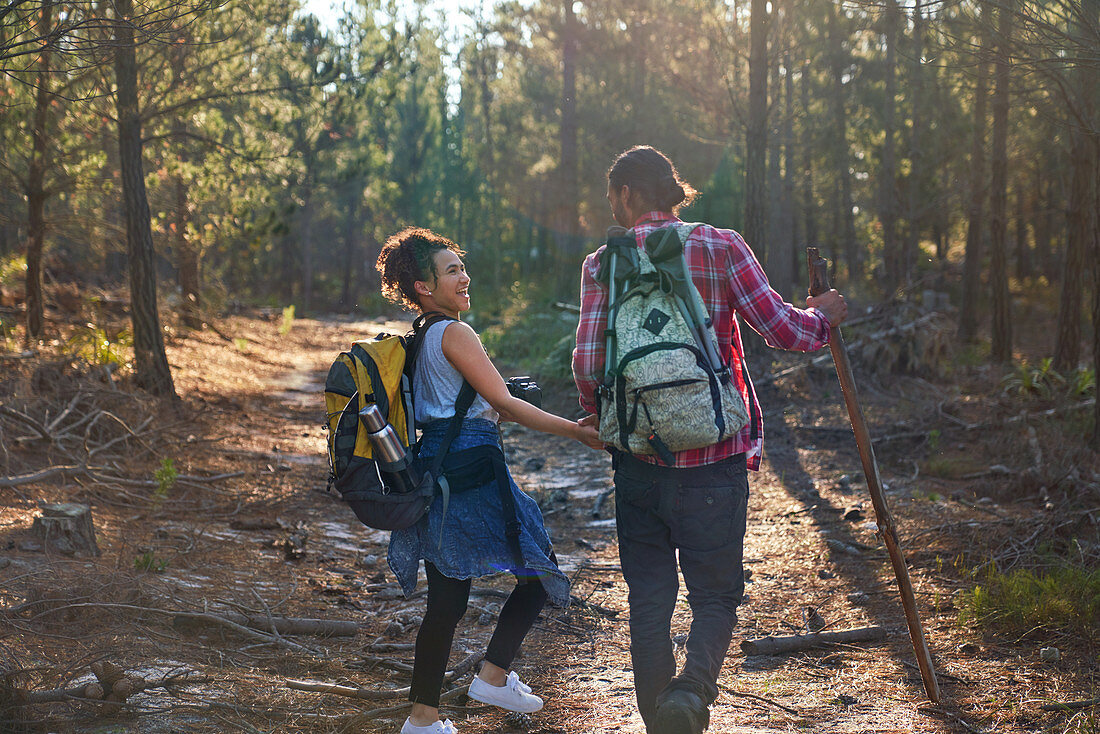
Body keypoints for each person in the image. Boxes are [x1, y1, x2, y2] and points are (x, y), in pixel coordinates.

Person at [572, 145, 848, 734]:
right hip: (714, 457)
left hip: (638, 462)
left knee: (649, 597)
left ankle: (659, 721)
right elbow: (782, 330)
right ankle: (691, 697)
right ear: (672, 191)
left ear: (625, 194)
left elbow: (589, 361)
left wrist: (604, 421)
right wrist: (823, 315)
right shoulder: (721, 245)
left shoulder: (603, 262)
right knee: (716, 595)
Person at [377, 227, 603, 734]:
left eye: (462, 266)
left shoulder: (420, 339)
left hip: (436, 473)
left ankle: (422, 720)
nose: (465, 276)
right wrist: (575, 430)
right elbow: (503, 402)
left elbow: (454, 410)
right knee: (539, 573)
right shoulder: (456, 333)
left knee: (447, 603)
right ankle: (494, 676)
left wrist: (488, 410)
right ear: (422, 286)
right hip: (474, 475)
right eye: (451, 270)